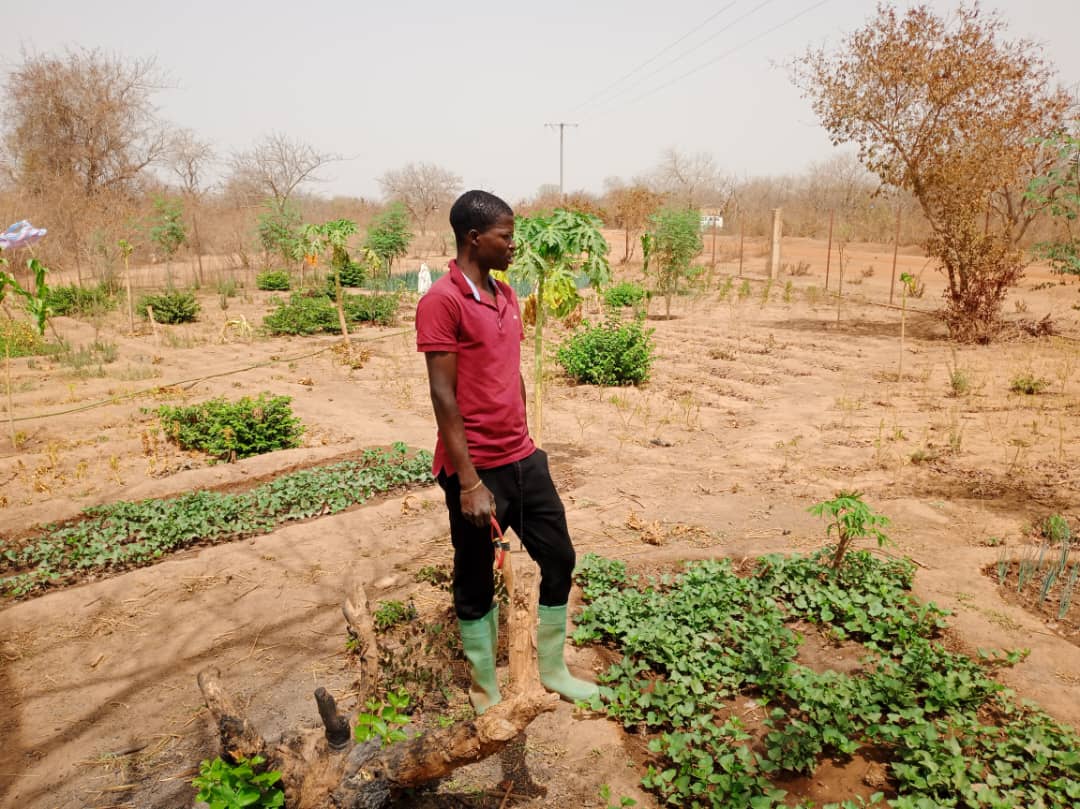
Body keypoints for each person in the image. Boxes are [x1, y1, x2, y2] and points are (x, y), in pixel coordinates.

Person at [415, 189, 597, 715]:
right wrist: (469, 482)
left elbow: (508, 372)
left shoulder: (507, 295)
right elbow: (442, 395)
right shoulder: (442, 301)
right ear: (475, 238)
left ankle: (554, 670)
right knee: (475, 578)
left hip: (523, 459)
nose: (514, 245)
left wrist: (524, 439)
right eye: (506, 236)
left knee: (559, 556)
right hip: (476, 469)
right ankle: (486, 691)